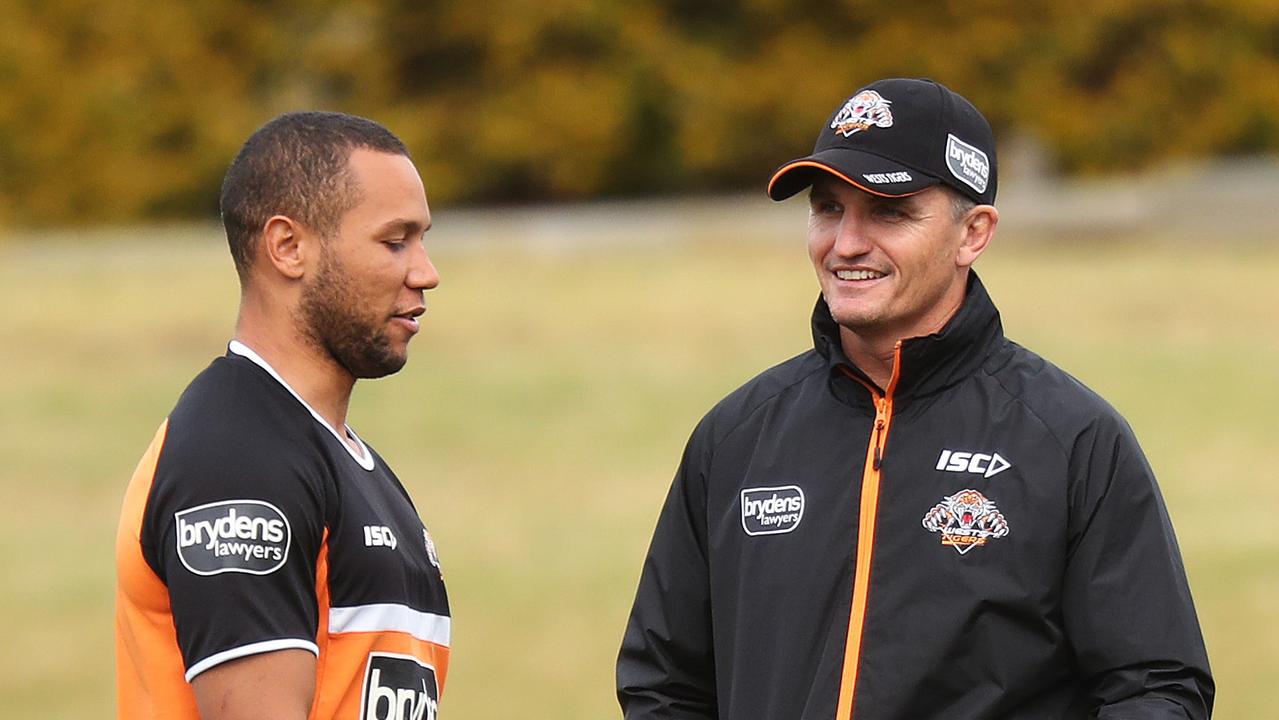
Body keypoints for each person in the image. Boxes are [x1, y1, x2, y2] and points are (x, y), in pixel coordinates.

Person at [617, 78, 1213, 719]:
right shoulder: (736, 438)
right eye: (827, 208)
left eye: (889, 212)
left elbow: (1156, 689)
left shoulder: (1071, 439)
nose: (845, 243)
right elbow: (664, 684)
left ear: (973, 233)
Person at [115, 111, 449, 720]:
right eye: (395, 241)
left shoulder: (344, 462)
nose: (425, 272)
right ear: (288, 247)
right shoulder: (237, 461)